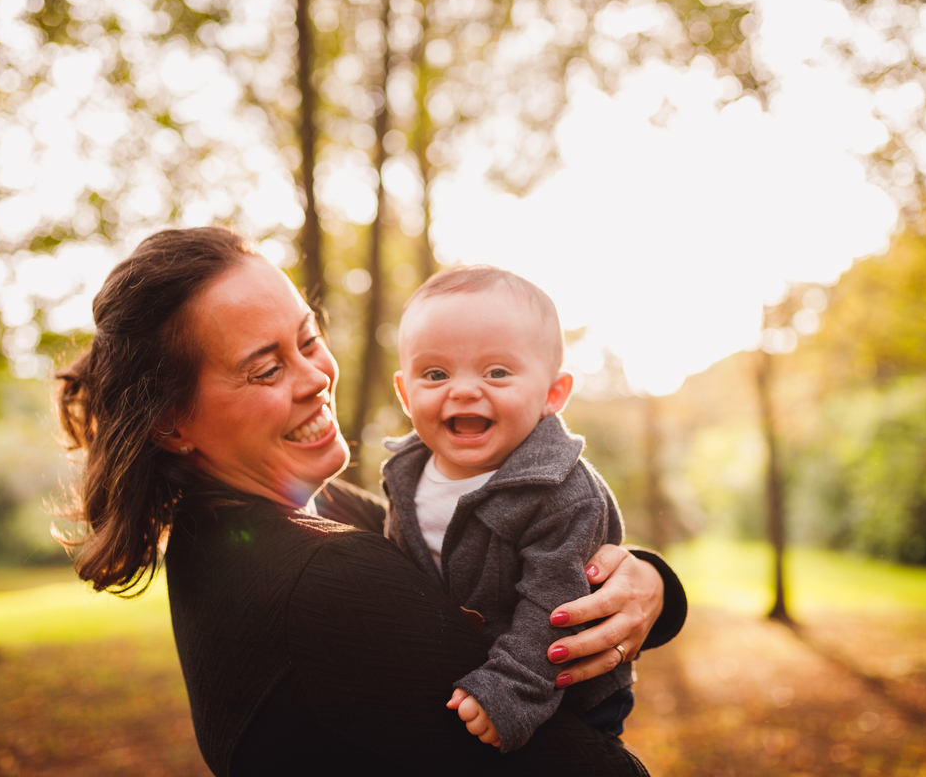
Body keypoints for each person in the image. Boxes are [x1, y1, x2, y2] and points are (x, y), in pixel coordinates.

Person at [55, 227, 688, 776]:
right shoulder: (324, 578)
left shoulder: (268, 523)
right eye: (265, 369)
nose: (316, 377)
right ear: (172, 423)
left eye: (307, 339)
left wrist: (652, 587)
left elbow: (483, 555)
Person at [385, 265, 634, 752]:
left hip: (567, 696)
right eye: (435, 373)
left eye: (497, 372)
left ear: (552, 395)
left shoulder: (561, 492)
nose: (463, 389)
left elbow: (553, 605)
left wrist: (510, 690)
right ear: (404, 392)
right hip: (462, 682)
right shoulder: (404, 470)